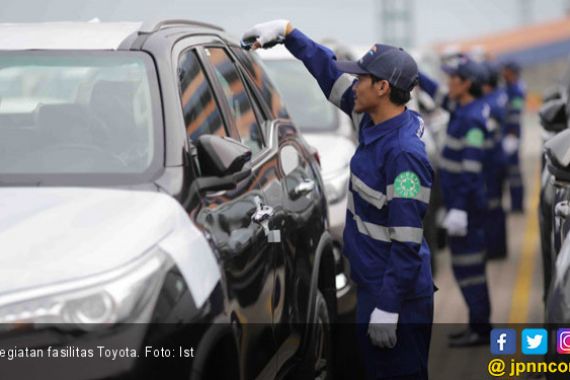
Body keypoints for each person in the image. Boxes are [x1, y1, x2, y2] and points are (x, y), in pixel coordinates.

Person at [242, 20, 434, 379]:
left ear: (382, 87)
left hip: (396, 296)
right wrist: (289, 33)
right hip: (374, 285)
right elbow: (329, 73)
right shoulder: (373, 121)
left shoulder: (404, 155)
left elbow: (407, 241)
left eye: (362, 79)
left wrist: (389, 308)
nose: (354, 84)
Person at [418, 56, 492, 346]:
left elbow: (471, 171)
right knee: (465, 269)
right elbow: (437, 93)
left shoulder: (472, 119)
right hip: (461, 205)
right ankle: (478, 324)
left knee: (470, 269)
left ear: (466, 84)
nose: (448, 83)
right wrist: (416, 74)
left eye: (453, 79)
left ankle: (482, 328)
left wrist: (459, 209)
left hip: (468, 209)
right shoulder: (462, 108)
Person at [481, 61, 509, 259]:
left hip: (491, 164)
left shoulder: (489, 104)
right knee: (496, 205)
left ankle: (495, 249)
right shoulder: (497, 98)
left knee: (492, 206)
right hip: (497, 160)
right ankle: (497, 248)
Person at [502, 61, 526, 213]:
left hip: (512, 135)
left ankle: (517, 206)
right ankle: (515, 204)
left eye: (506, 71)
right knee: (511, 172)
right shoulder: (509, 88)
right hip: (508, 135)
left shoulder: (516, 90)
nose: (503, 73)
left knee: (514, 173)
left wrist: (512, 136)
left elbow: (515, 116)